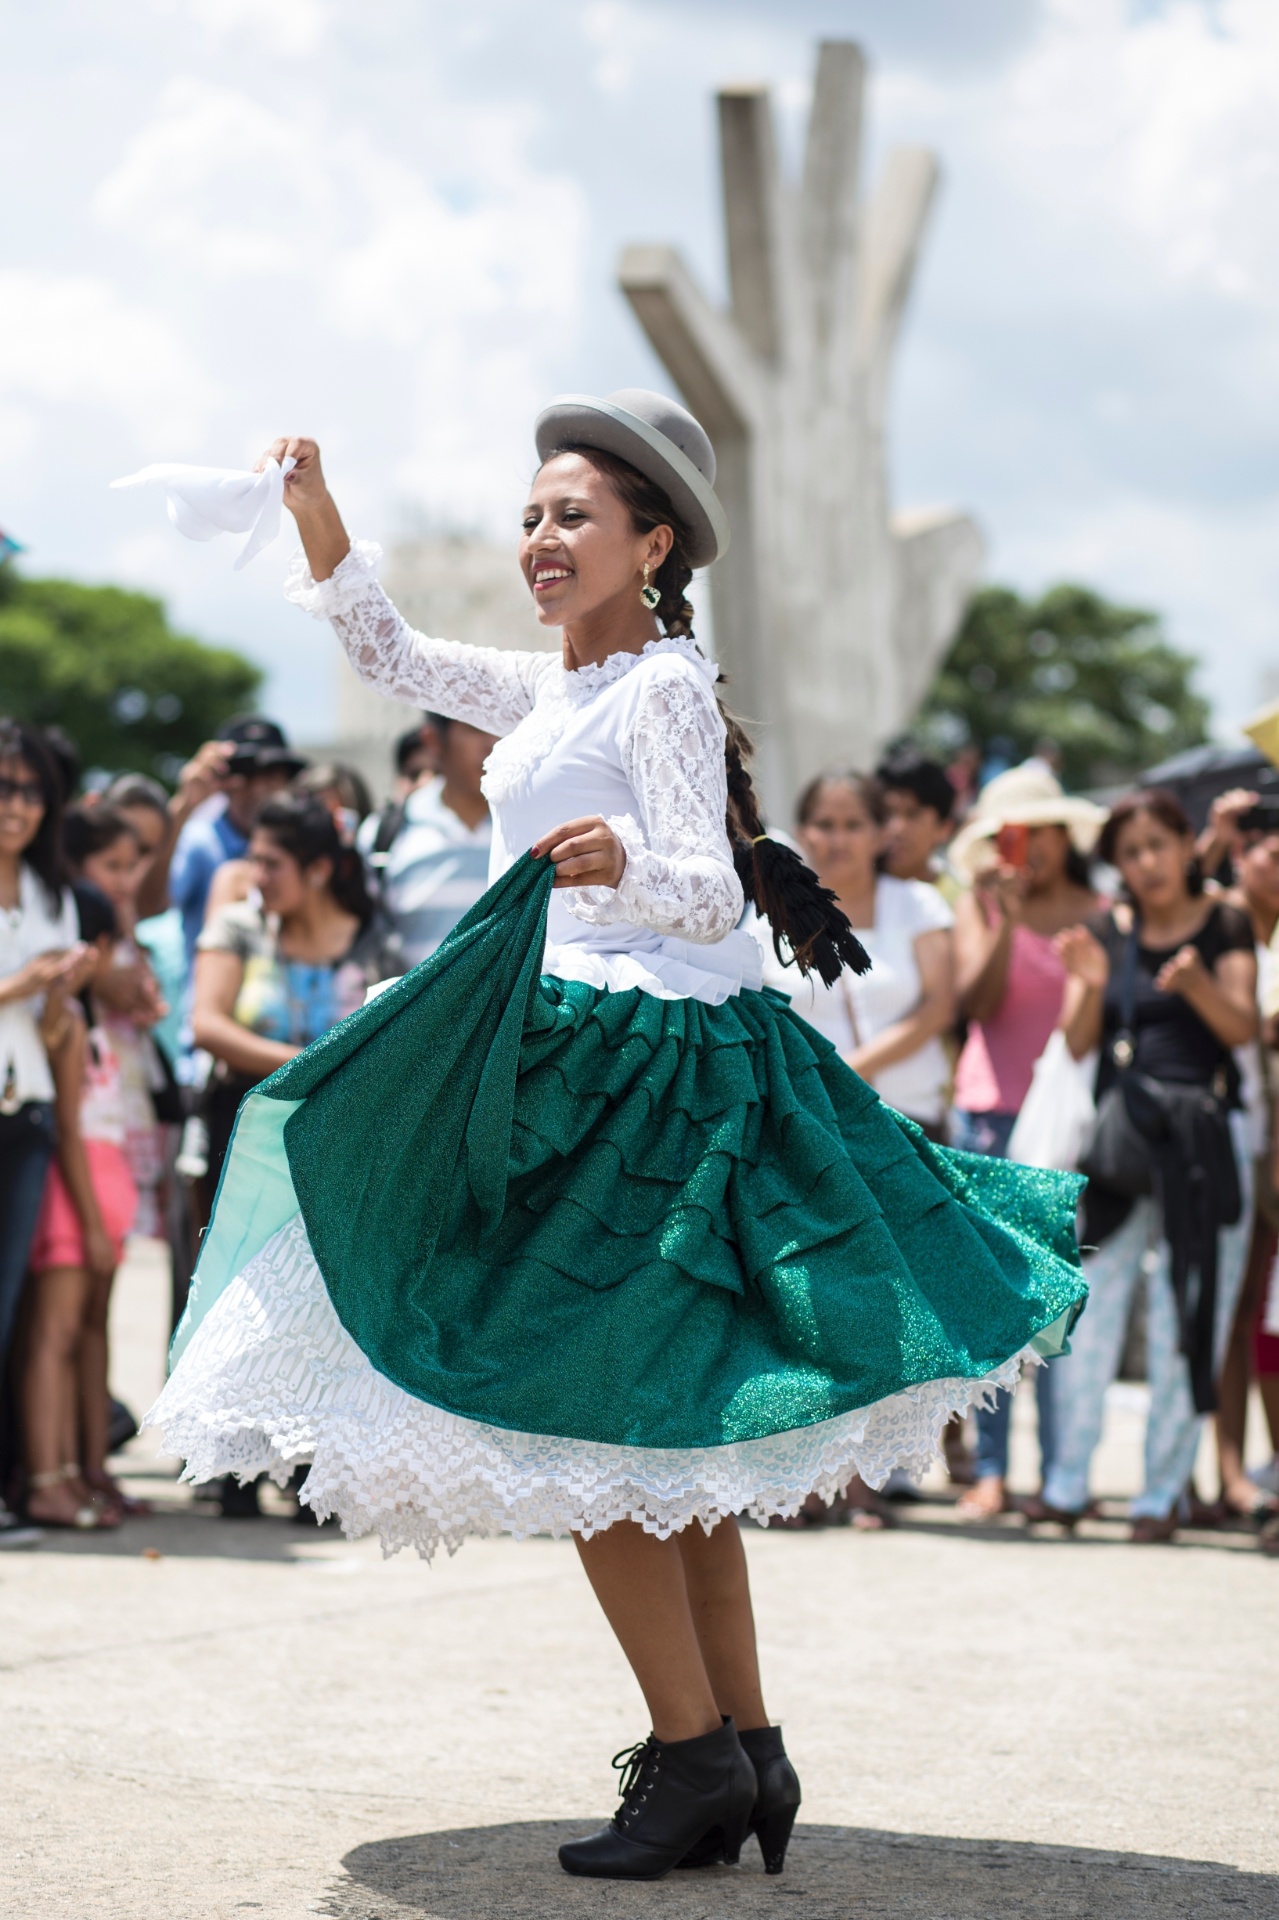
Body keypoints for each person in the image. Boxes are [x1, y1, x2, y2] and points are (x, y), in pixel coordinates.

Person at [148, 396, 1085, 1882]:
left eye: (572, 515)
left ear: (653, 545)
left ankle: (698, 1755)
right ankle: (742, 1749)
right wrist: (315, 503)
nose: (540, 537)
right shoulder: (556, 684)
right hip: (586, 1053)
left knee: (588, 1414)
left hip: (632, 1075)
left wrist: (619, 859)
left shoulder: (657, 689)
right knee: (666, 1446)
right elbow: (389, 653)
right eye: (531, 514)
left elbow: (710, 891)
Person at [1046, 790, 1257, 1542]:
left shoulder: (1224, 923)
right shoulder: (1110, 931)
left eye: (1157, 845)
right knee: (1089, 1310)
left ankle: (1160, 1494)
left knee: (1188, 1314)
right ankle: (1066, 1483)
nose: (1146, 863)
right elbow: (1074, 1045)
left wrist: (1197, 986)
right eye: (1129, 853)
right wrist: (1089, 983)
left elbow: (1242, 1029)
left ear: (1184, 845)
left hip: (1202, 1145)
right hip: (1123, 1146)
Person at [756, 769, 956, 1528]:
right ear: (802, 830)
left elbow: (940, 1004)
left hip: (901, 1122)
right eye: (824, 823)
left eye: (852, 824)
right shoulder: (766, 911)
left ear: (881, 833)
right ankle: (817, 1474)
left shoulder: (918, 904)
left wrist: (854, 1070)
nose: (837, 839)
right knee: (820, 1302)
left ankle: (869, 1475)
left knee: (895, 1302)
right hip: (807, 1126)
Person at [948, 763, 1106, 1520]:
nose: (1025, 848)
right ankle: (990, 1470)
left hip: (1062, 1128)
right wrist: (1006, 919)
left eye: (1036, 831)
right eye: (1009, 835)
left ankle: (1057, 1475)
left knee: (1056, 1308)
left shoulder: (1101, 913)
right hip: (988, 1118)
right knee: (992, 1302)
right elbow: (973, 1005)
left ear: (1063, 835)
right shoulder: (979, 905)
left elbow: (1100, 1023)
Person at [23, 804, 160, 1528]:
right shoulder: (69, 1024)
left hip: (105, 1192)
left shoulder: (101, 1026)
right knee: (55, 1333)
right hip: (73, 1198)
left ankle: (86, 1469)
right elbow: (71, 1134)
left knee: (89, 1330)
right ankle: (50, 1476)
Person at [0, 720, 93, 1544]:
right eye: (4, 786)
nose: (17, 804)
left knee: (8, 1310)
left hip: (26, 1114)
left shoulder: (50, 892)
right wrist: (17, 986)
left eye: (32, 790)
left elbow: (53, 1032)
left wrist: (62, 997)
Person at [168, 717, 308, 975]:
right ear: (222, 779)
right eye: (246, 774)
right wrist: (184, 804)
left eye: (271, 775)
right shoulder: (199, 840)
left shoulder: (306, 849)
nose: (259, 789)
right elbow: (153, 904)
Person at [357, 711, 497, 966]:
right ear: (433, 740)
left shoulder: (538, 826)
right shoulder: (382, 834)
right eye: (476, 726)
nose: (493, 741)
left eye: (503, 724)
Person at [874, 745, 957, 894]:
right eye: (887, 813)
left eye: (912, 815)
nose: (897, 828)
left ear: (944, 829)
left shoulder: (959, 902)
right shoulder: (847, 889)